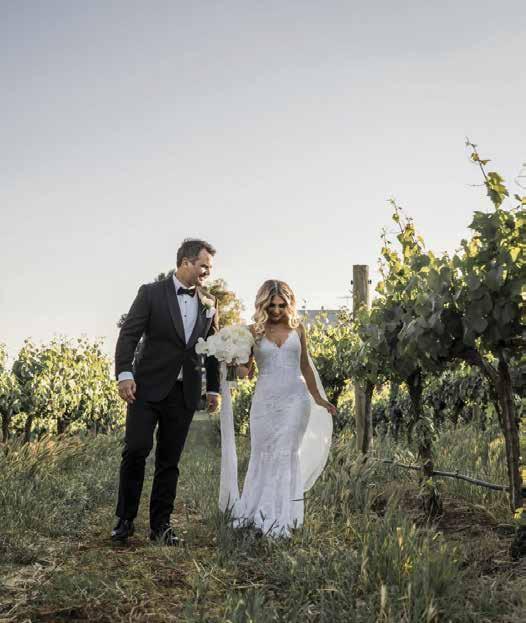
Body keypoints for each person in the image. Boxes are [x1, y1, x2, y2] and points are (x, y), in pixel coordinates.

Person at [112, 238, 220, 545]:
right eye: (204, 266)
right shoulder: (150, 293)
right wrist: (124, 374)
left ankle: (161, 526)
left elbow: (212, 349)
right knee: (136, 449)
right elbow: (129, 335)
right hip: (146, 388)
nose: (207, 273)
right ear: (185, 262)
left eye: (210, 268)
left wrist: (213, 388)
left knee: (169, 460)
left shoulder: (210, 303)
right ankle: (124, 520)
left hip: (184, 392)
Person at [220, 279, 336, 537]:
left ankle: (283, 516)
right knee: (263, 453)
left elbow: (305, 367)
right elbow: (245, 373)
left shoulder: (298, 329)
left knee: (286, 453)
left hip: (296, 400)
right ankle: (258, 512)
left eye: (281, 305)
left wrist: (319, 398)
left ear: (289, 304)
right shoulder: (252, 332)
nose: (276, 310)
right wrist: (232, 361)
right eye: (271, 305)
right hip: (265, 401)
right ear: (262, 304)